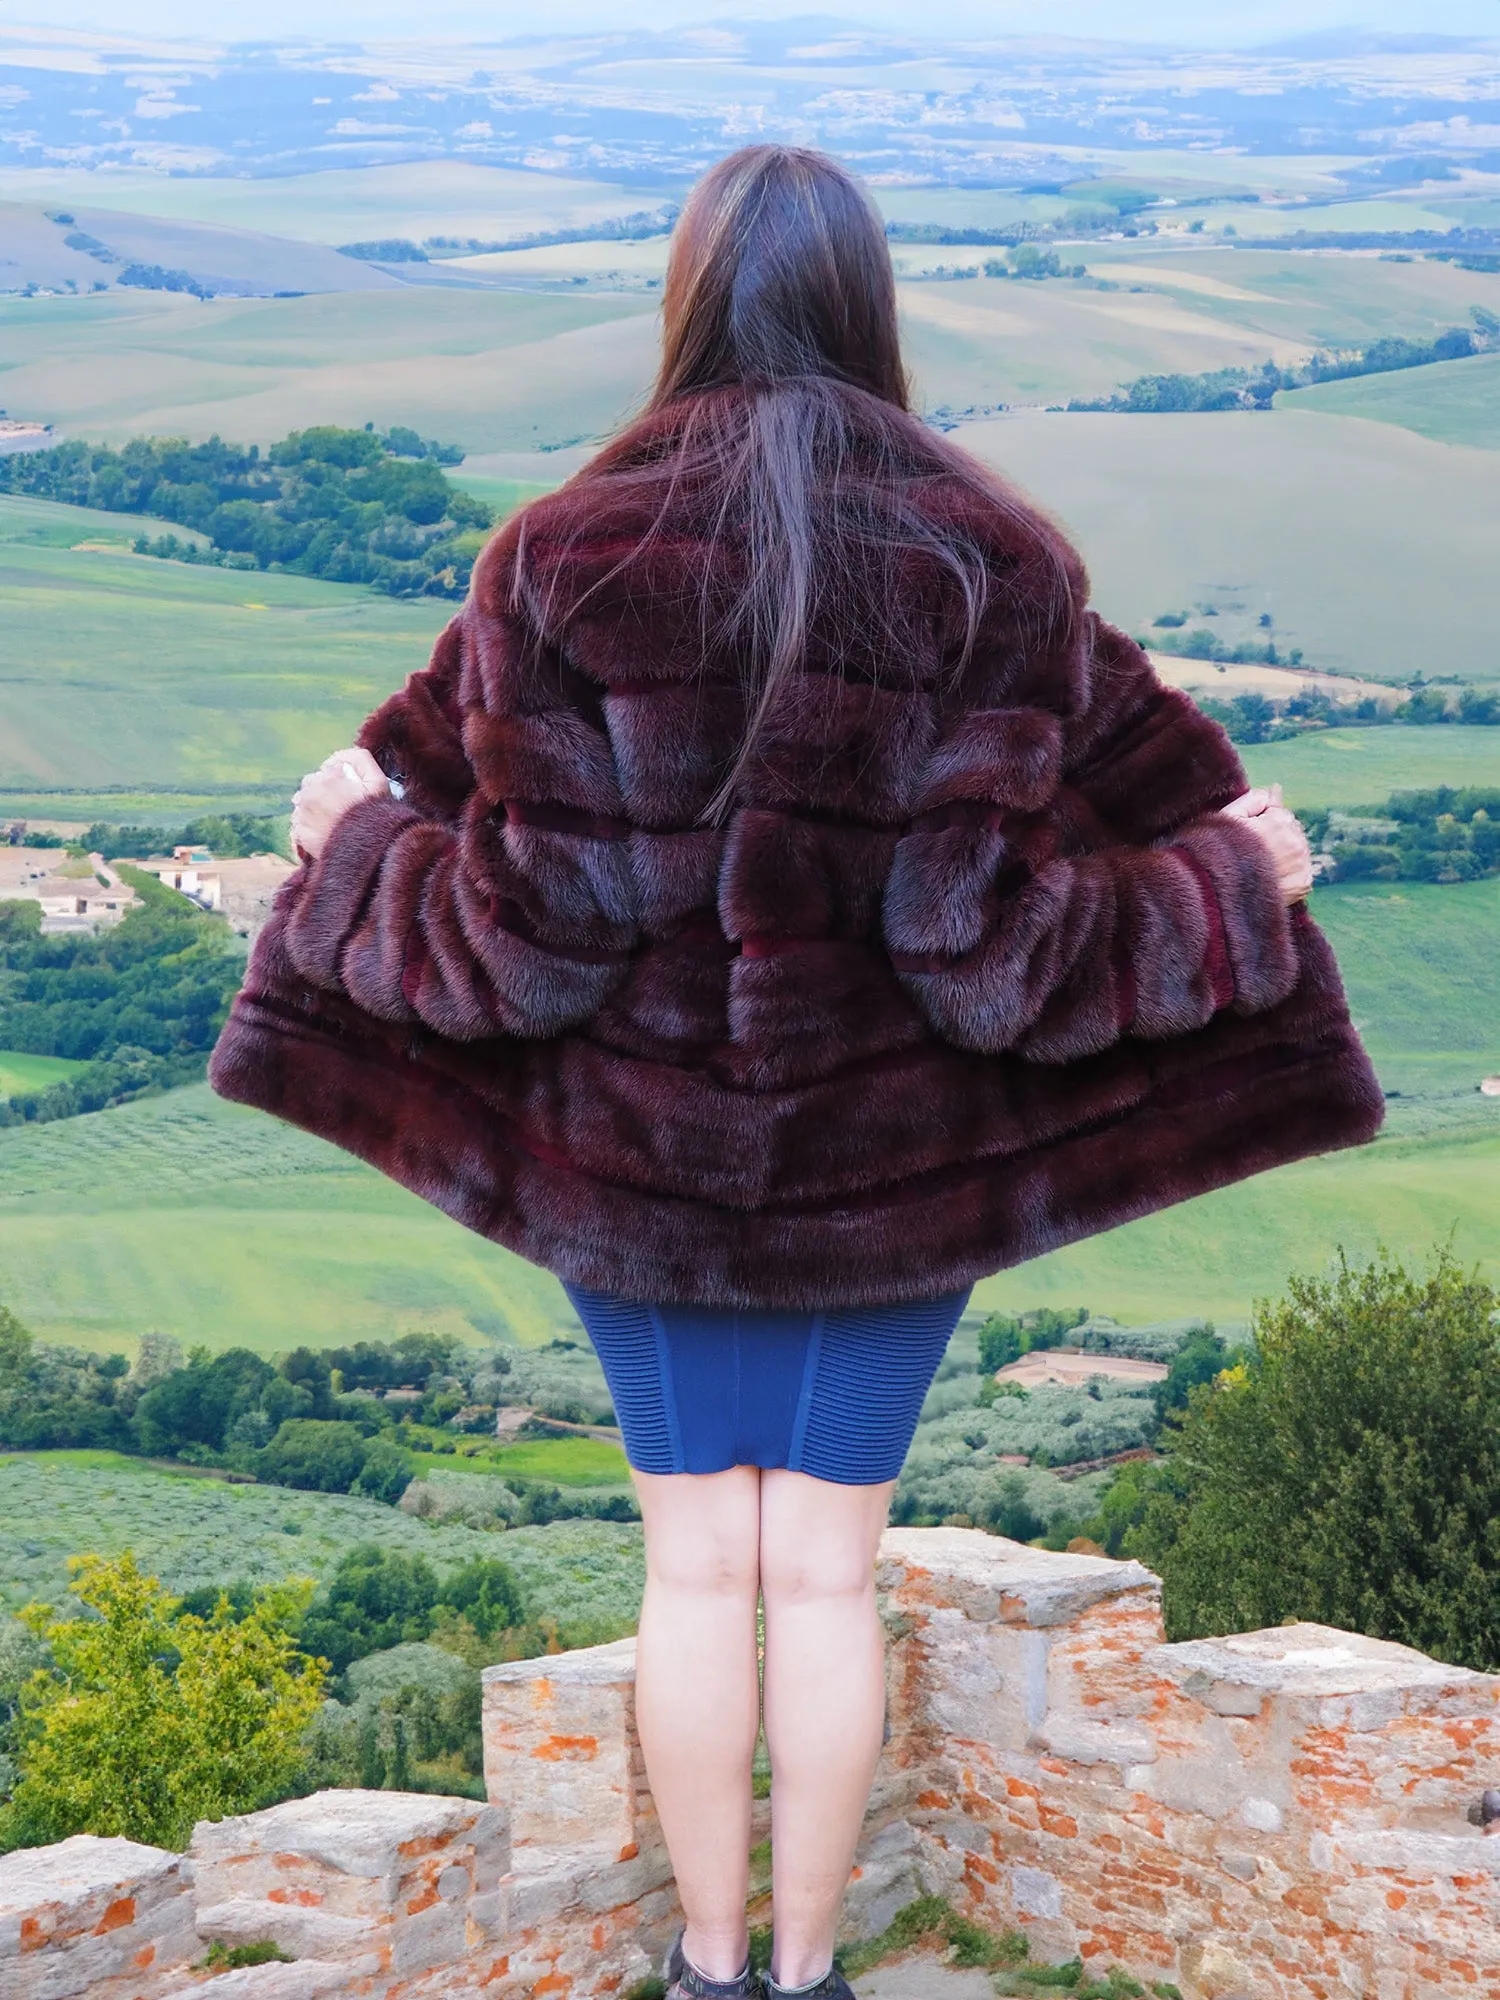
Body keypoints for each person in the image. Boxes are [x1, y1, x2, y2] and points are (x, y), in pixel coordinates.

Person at [212, 146, 1383, 2000]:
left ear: (685, 296)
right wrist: (1234, 885)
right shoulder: (993, 560)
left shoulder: (558, 554)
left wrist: (353, 855)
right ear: (871, 301)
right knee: (826, 1574)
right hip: (892, 1183)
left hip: (632, 1181)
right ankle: (818, 1971)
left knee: (696, 1573)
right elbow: (995, 959)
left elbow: (521, 930)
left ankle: (703, 1967)